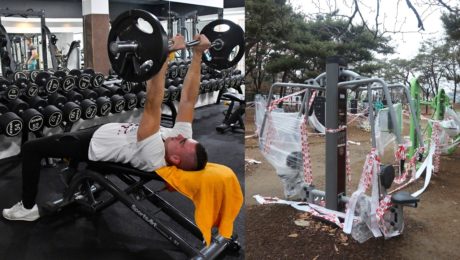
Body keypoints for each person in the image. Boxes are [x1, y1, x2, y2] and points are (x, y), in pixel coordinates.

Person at [3, 34, 211, 221]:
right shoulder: (180, 140)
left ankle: (27, 208)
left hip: (93, 146)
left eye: (182, 142)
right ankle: (78, 182)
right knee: (68, 148)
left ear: (175, 159)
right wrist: (198, 54)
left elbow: (153, 102)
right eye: (185, 138)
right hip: (105, 131)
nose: (180, 137)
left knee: (32, 148)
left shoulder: (154, 154)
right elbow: (188, 100)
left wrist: (165, 54)